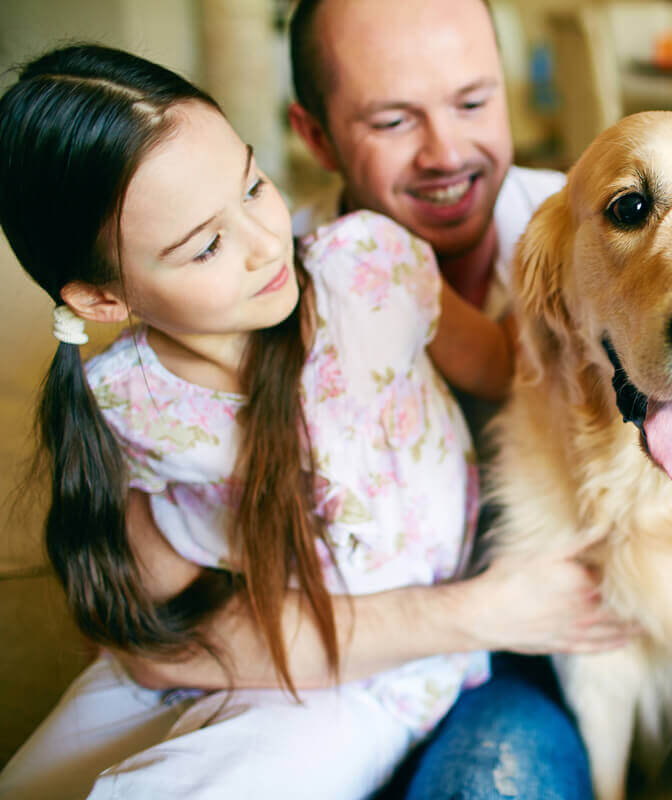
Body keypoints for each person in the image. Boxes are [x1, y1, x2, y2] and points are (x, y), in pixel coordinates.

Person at [0, 44, 634, 799]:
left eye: (253, 186)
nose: (266, 243)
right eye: (206, 246)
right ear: (105, 301)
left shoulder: (370, 268)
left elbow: (509, 368)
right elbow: (165, 644)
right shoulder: (126, 407)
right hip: (231, 659)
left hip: (377, 680)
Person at [284, 0, 672, 795]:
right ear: (316, 135)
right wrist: (477, 615)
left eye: (473, 102)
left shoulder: (562, 207)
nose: (446, 150)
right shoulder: (274, 293)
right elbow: (168, 622)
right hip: (397, 671)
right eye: (392, 119)